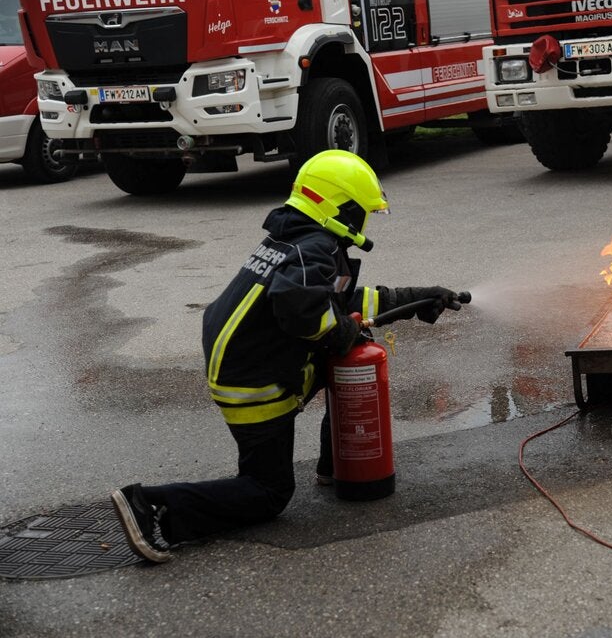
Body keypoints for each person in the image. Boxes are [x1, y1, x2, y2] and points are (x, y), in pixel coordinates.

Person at [110, 150, 461, 563]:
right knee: (268, 493)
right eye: (362, 213)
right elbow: (302, 310)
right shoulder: (313, 248)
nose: (363, 223)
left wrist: (413, 299)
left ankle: (335, 466)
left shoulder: (295, 239)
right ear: (342, 208)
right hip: (254, 385)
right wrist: (346, 330)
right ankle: (152, 508)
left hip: (245, 366)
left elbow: (339, 298)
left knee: (346, 356)